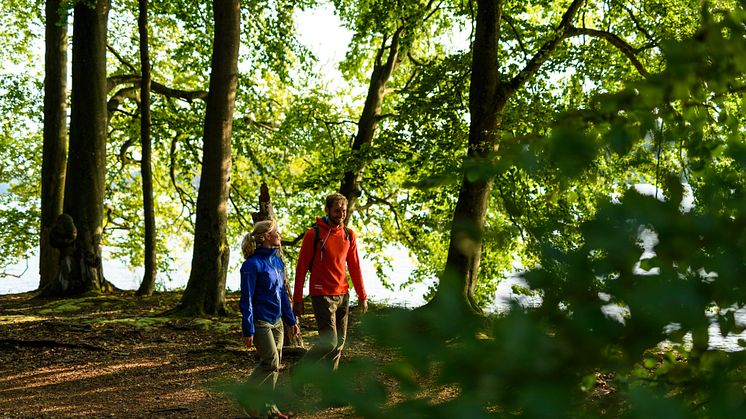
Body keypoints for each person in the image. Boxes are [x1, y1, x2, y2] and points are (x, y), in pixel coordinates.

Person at [293, 193, 367, 370]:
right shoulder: (314, 234)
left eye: (343, 210)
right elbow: (301, 268)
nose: (340, 214)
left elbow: (355, 266)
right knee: (330, 342)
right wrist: (298, 299)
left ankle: (330, 393)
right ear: (327, 210)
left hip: (343, 294)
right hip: (322, 294)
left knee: (339, 344)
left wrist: (362, 295)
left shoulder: (349, 235)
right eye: (336, 210)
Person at [240, 219, 300, 419]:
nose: (280, 235)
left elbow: (283, 293)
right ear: (266, 236)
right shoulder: (251, 265)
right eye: (277, 232)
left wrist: (291, 320)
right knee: (271, 362)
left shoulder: (277, 261)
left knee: (275, 366)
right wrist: (248, 328)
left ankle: (269, 408)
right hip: (260, 321)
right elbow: (246, 298)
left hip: (277, 322)